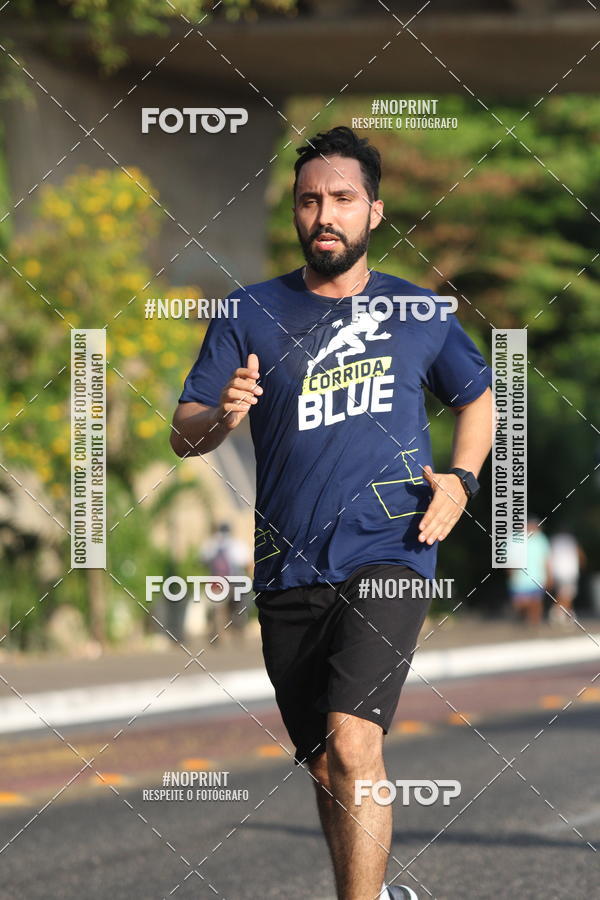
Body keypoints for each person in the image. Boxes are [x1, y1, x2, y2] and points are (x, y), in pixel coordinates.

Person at [170, 126, 494, 900]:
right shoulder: (249, 310)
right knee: (325, 761)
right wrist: (222, 416)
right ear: (295, 212)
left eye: (342, 199)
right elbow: (185, 432)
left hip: (392, 548)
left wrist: (460, 479)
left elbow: (480, 398)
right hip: (288, 562)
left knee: (354, 747)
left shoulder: (419, 314)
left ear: (374, 212)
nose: (326, 214)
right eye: (311, 200)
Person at [201, 522, 252, 641]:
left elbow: (202, 560)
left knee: (217, 608)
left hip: (217, 581)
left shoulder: (210, 543)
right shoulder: (238, 544)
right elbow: (247, 563)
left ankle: (216, 633)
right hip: (236, 581)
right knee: (239, 607)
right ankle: (238, 628)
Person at [507, 516, 551, 626]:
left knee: (536, 603)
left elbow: (546, 559)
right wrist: (511, 574)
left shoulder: (540, 538)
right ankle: (525, 619)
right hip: (519, 579)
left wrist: (549, 576)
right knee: (520, 604)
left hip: (537, 577)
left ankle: (534, 625)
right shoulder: (513, 539)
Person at [548, 531, 584, 626]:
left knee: (564, 593)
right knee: (567, 594)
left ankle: (564, 613)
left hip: (558, 572)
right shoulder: (571, 540)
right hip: (569, 572)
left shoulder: (554, 540)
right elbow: (580, 554)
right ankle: (557, 612)